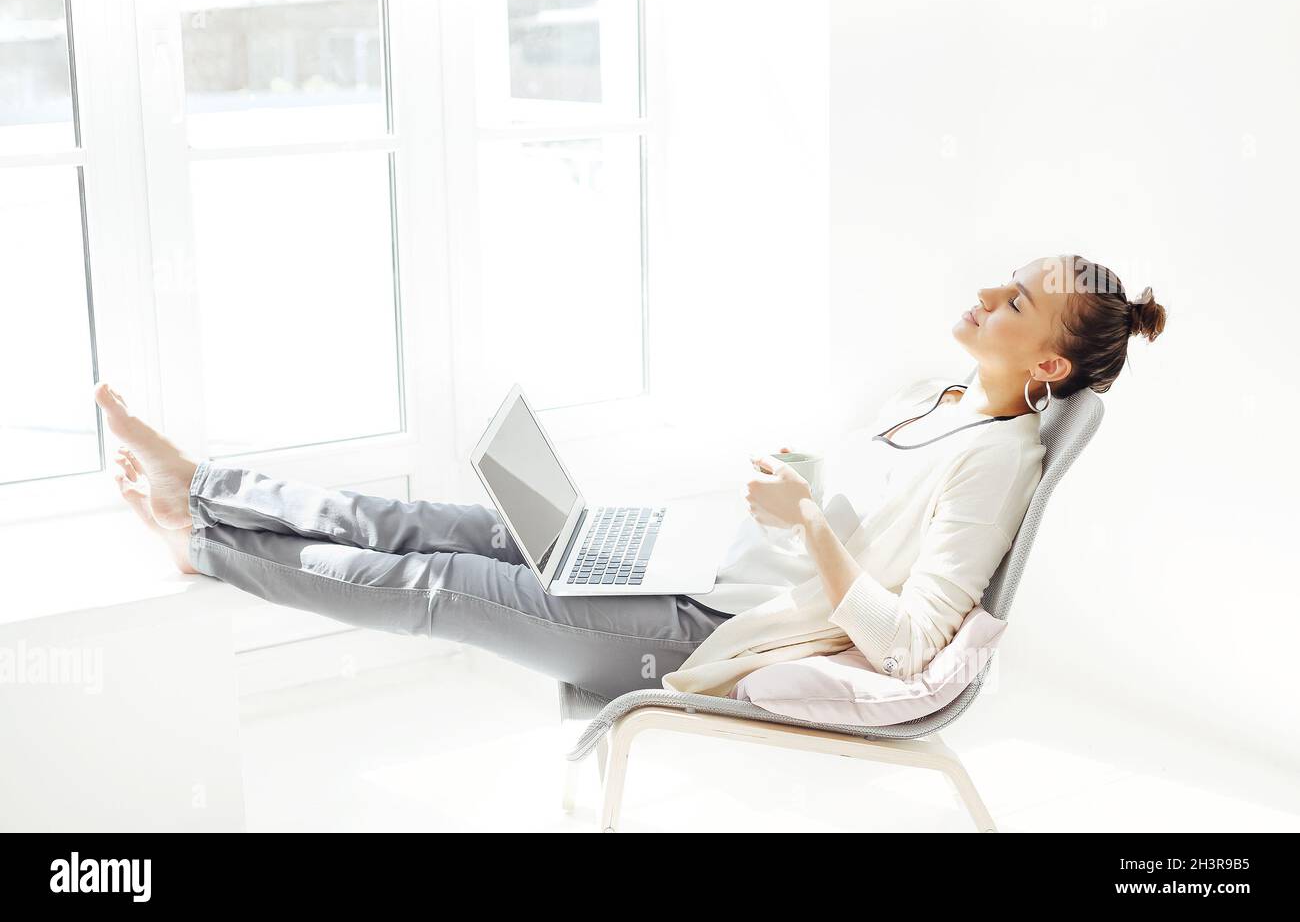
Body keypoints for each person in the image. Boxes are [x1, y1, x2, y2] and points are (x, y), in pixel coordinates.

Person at [95, 254, 1166, 705]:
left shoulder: (995, 459)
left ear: (1048, 367)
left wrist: (808, 527)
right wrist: (796, 497)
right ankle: (204, 482)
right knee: (430, 522)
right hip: (702, 560)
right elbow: (847, 509)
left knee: (435, 587)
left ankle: (206, 542)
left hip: (692, 626)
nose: (986, 289)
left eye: (1015, 300)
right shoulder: (932, 392)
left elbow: (904, 643)